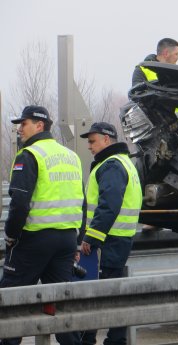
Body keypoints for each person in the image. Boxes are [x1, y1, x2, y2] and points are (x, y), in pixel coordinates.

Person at [0, 105, 84, 345]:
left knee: (10, 301)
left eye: (23, 124)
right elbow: (83, 202)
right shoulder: (71, 156)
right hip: (66, 240)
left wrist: (11, 236)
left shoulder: (29, 155)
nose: (19, 129)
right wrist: (77, 242)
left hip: (35, 240)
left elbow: (19, 203)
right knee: (59, 305)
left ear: (39, 125)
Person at [79, 122, 142, 345]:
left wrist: (91, 237)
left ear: (107, 139)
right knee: (111, 290)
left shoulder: (111, 165)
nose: (89, 146)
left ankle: (108, 339)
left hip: (109, 239)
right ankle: (111, 338)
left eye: (92, 141)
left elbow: (109, 205)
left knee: (104, 291)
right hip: (118, 238)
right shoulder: (125, 163)